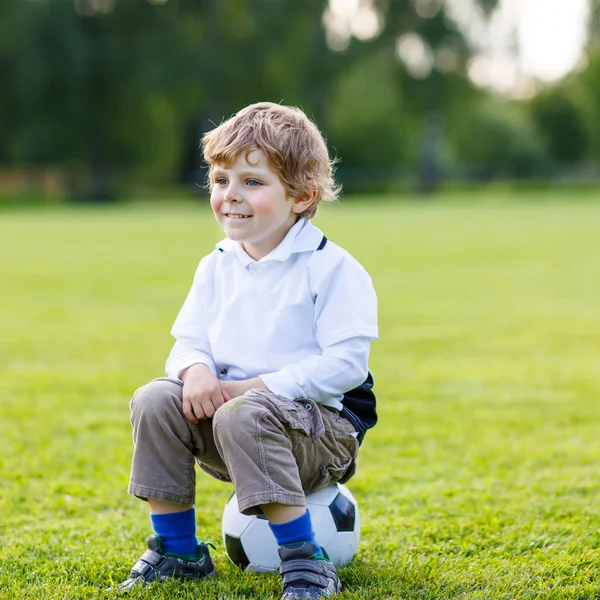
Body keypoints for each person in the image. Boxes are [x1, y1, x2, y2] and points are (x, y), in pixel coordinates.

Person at [120, 102, 378, 600]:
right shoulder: (215, 265)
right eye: (220, 180)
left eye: (252, 183)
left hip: (319, 435)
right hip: (231, 425)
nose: (230, 196)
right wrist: (194, 369)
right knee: (154, 398)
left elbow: (346, 365)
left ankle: (307, 561)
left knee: (246, 412)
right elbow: (189, 339)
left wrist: (251, 390)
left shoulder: (332, 269)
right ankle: (178, 551)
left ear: (301, 196)